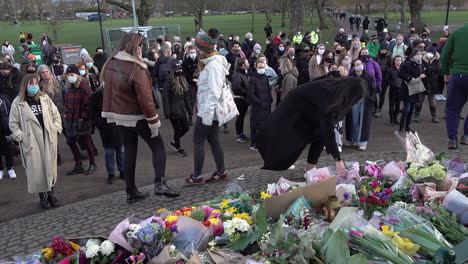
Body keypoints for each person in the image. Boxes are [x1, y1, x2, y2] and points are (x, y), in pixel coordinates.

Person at [102, 32, 179, 202]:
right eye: (140, 46)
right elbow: (146, 99)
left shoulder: (110, 63)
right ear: (134, 47)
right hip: (137, 116)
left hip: (119, 116)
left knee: (129, 150)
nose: (141, 50)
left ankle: (131, 191)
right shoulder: (136, 68)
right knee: (157, 146)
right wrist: (153, 122)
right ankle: (160, 183)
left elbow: (108, 92)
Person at [257, 77, 365, 174]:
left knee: (320, 134)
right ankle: (279, 160)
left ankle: (310, 169)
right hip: (295, 109)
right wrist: (338, 160)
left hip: (308, 109)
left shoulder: (336, 90)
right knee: (290, 140)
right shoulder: (331, 94)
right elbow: (328, 127)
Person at [9, 74, 62, 209]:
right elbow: (13, 124)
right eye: (31, 84)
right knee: (37, 170)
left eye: (36, 83)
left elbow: (56, 115)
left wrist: (55, 129)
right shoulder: (18, 103)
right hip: (31, 141)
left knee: (50, 168)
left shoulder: (45, 98)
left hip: (47, 137)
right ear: (25, 86)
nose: (34, 86)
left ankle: (51, 194)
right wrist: (22, 137)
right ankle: (42, 197)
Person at [184, 28, 230, 184]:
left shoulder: (213, 66)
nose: (195, 50)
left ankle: (197, 175)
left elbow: (214, 92)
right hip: (210, 110)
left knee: (198, 140)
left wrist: (206, 116)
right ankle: (221, 171)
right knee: (213, 139)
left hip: (208, 111)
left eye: (198, 48)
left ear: (204, 49)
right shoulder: (210, 63)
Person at [63, 65, 96, 176]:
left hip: (81, 119)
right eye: (68, 75)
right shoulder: (70, 87)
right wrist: (66, 112)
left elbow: (91, 103)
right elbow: (67, 102)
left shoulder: (84, 86)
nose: (69, 77)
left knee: (87, 142)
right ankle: (79, 164)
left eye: (72, 75)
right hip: (71, 119)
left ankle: (92, 164)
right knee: (70, 141)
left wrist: (84, 116)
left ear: (77, 75)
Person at [440, 24, 468, 149]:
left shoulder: (457, 32)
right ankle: (466, 136)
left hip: (458, 76)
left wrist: (447, 72)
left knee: (452, 109)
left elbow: (444, 56)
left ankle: (452, 139)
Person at [37, 65, 67, 165]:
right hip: (48, 115)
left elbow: (66, 94)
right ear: (40, 74)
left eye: (47, 72)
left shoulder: (57, 83)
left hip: (61, 112)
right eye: (43, 72)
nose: (45, 74)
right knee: (52, 137)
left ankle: (77, 152)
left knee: (70, 135)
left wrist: (67, 109)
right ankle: (56, 156)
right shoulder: (38, 86)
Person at [345, 59, 377, 151]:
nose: (359, 65)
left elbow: (374, 89)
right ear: (353, 67)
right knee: (353, 121)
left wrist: (371, 99)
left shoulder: (369, 77)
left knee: (364, 122)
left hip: (365, 101)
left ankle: (362, 142)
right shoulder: (350, 77)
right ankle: (352, 139)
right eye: (357, 64)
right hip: (354, 101)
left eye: (360, 64)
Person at [163, 64, 192, 157]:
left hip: (182, 109)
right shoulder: (169, 80)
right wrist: (167, 111)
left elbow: (186, 97)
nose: (179, 71)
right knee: (177, 129)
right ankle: (178, 147)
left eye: (180, 69)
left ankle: (174, 142)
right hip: (173, 110)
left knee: (186, 128)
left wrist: (190, 110)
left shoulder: (183, 80)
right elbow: (165, 96)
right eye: (177, 69)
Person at [398, 48, 426, 134]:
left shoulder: (421, 64)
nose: (419, 55)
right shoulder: (407, 63)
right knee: (406, 109)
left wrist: (422, 75)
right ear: (413, 55)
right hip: (407, 89)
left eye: (420, 53)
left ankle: (407, 127)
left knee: (412, 110)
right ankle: (401, 127)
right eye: (417, 54)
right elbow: (401, 74)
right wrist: (410, 78)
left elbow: (424, 73)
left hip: (416, 89)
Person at [248, 61, 272, 151]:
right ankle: (254, 144)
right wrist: (260, 103)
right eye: (259, 67)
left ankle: (262, 142)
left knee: (264, 126)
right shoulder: (253, 79)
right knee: (256, 126)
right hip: (258, 107)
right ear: (256, 67)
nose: (261, 69)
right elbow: (251, 94)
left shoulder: (265, 77)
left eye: (263, 67)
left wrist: (270, 99)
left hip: (266, 106)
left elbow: (268, 90)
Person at [415, 45, 442, 124]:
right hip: (423, 83)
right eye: (428, 52)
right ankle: (416, 115)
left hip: (433, 83)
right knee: (420, 100)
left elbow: (438, 69)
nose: (429, 54)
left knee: (432, 101)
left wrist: (428, 69)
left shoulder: (437, 61)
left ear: (434, 54)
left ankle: (434, 116)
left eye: (431, 53)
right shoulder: (421, 60)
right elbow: (420, 70)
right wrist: (428, 71)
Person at [154, 42, 177, 115]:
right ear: (167, 51)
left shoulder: (158, 61)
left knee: (164, 99)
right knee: (171, 98)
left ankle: (167, 113)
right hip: (169, 83)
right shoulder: (169, 61)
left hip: (161, 84)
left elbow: (155, 73)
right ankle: (171, 113)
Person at [231, 58, 250, 143]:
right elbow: (236, 88)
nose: (248, 64)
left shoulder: (243, 73)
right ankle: (239, 135)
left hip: (243, 99)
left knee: (241, 117)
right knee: (240, 117)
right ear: (242, 65)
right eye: (247, 62)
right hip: (240, 99)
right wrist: (246, 92)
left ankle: (241, 133)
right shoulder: (237, 75)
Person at [0, 93, 15, 180]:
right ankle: (0, 169)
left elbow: (11, 112)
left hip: (5, 129)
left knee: (8, 150)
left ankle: (10, 168)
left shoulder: (4, 98)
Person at [374, 44, 392, 117]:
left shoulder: (389, 58)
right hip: (376, 78)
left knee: (382, 94)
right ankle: (374, 107)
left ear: (387, 50)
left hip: (385, 78)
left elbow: (390, 67)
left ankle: (379, 108)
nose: (383, 51)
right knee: (374, 93)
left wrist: (384, 71)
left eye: (385, 49)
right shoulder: (377, 57)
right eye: (382, 49)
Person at [385, 56, 403, 126]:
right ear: (394, 61)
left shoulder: (402, 69)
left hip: (400, 90)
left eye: (400, 60)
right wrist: (392, 84)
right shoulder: (390, 70)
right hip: (393, 90)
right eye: (397, 60)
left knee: (398, 105)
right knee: (391, 105)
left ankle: (395, 119)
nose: (398, 62)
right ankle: (391, 120)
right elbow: (386, 79)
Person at [182, 45, 198, 123]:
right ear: (188, 53)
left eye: (194, 52)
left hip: (200, 84)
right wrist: (192, 80)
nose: (193, 54)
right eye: (191, 52)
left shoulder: (200, 60)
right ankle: (190, 117)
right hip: (191, 84)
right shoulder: (185, 62)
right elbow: (185, 74)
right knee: (191, 101)